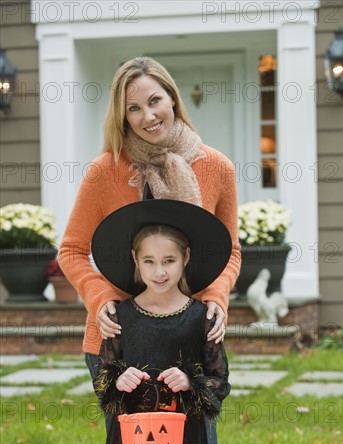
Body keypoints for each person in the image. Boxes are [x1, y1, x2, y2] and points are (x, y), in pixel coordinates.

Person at [58, 56, 241, 383]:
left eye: (155, 100)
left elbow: (230, 251)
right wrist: (101, 299)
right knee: (126, 436)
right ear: (123, 116)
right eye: (134, 108)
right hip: (119, 338)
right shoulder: (105, 170)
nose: (148, 116)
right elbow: (72, 251)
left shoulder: (218, 167)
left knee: (196, 435)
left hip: (190, 335)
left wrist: (217, 296)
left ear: (172, 97)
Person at [91, 197, 232, 444]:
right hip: (135, 441)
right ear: (136, 261)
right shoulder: (120, 316)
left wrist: (190, 381)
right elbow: (105, 375)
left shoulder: (203, 317)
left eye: (169, 260)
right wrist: (117, 381)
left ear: (185, 258)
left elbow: (219, 381)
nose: (160, 272)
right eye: (150, 261)